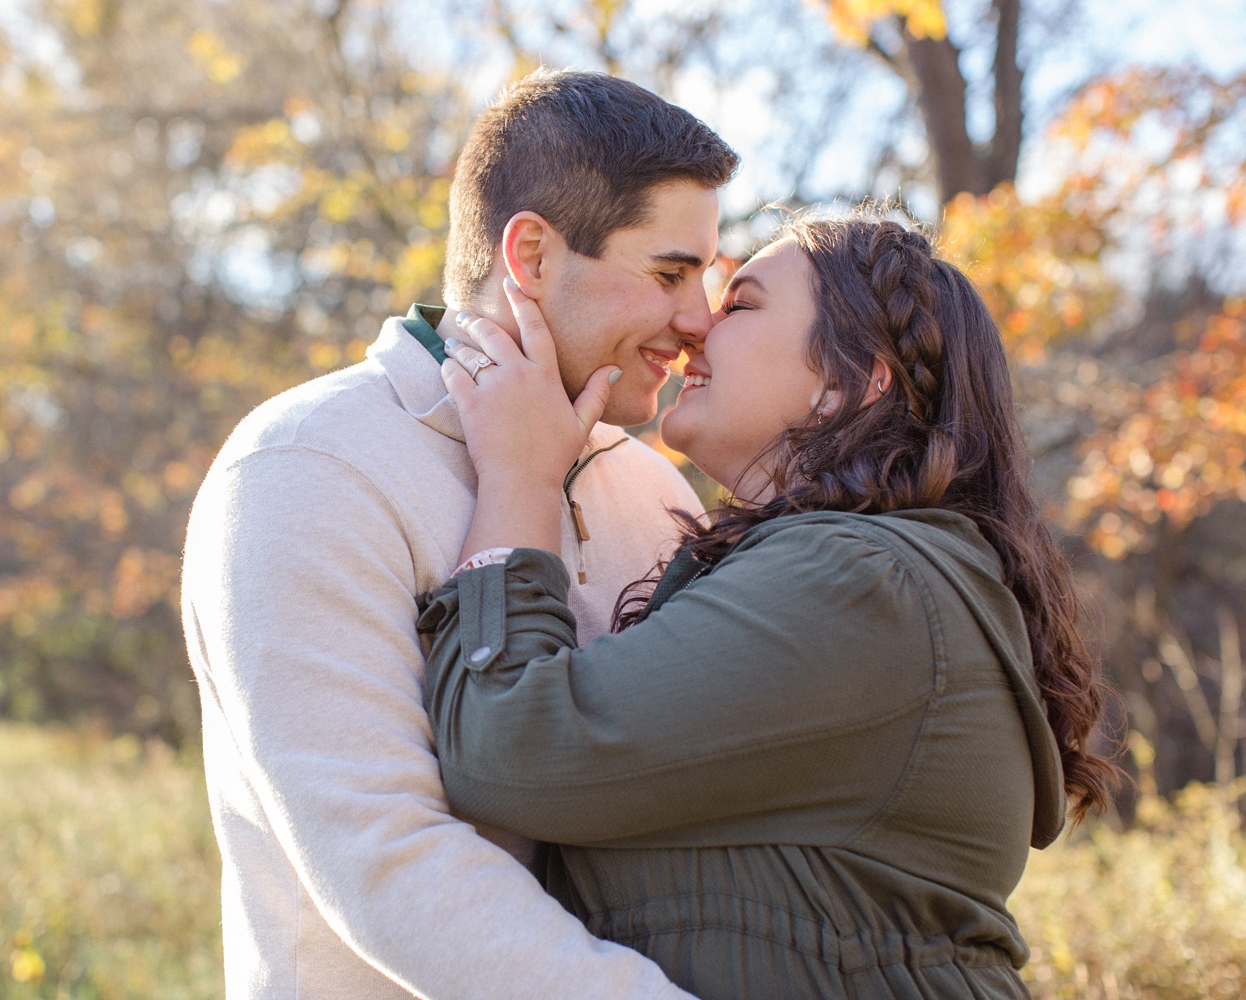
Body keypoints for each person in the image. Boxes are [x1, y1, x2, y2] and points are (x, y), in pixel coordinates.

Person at [421, 216, 1120, 998]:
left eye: (741, 304)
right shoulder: (856, 574)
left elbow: (513, 750)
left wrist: (519, 475)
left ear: (849, 382)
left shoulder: (860, 582)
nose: (694, 330)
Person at [180, 68, 738, 998]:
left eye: (710, 280)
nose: (699, 322)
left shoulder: (654, 488)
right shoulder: (305, 467)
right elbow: (389, 859)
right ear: (530, 256)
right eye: (671, 273)